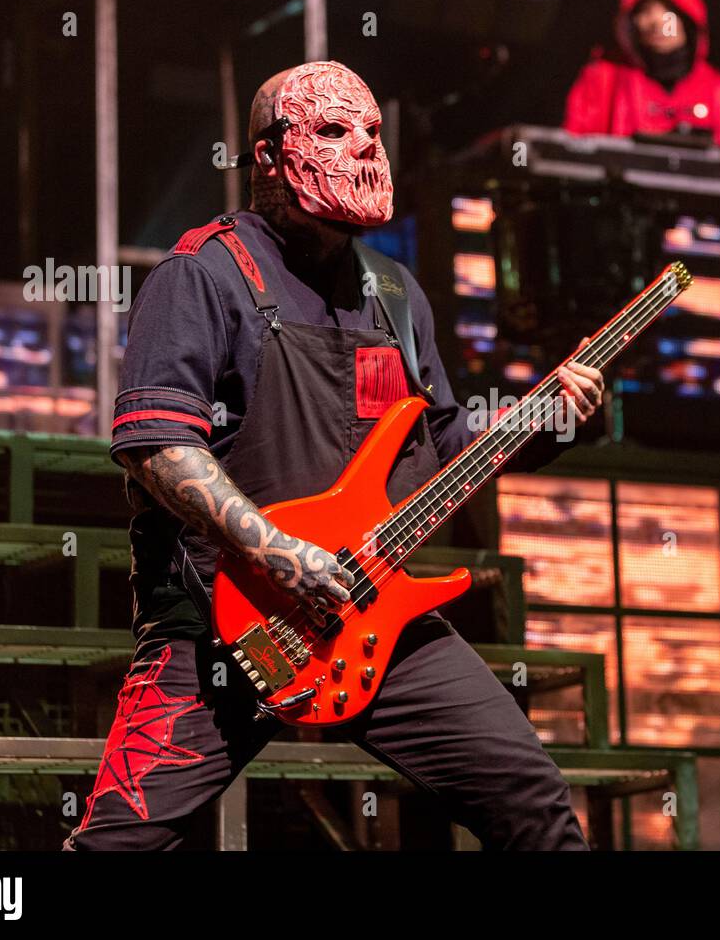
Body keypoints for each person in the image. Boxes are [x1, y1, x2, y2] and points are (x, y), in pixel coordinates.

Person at [65, 61, 603, 851]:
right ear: (269, 156)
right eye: (331, 130)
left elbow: (443, 451)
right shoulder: (202, 274)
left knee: (532, 801)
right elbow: (157, 443)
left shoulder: (394, 295)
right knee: (121, 844)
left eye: (373, 132)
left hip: (372, 617)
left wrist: (547, 420)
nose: (361, 148)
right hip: (224, 628)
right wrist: (277, 552)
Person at [563, 0, 720, 149]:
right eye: (645, 11)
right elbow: (573, 149)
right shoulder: (604, 79)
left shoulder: (718, 90)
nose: (656, 22)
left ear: (687, 19)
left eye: (668, 11)